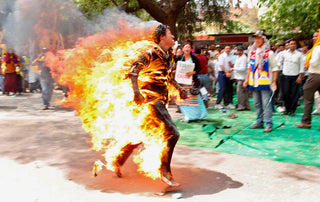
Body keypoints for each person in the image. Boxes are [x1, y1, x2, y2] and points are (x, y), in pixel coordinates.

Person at [114, 24, 188, 186]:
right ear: (162, 37)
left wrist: (180, 88)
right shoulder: (151, 53)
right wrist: (136, 92)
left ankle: (117, 160)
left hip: (161, 100)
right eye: (170, 34)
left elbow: (168, 78)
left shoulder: (169, 56)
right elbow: (134, 71)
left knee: (142, 134)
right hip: (150, 101)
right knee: (172, 133)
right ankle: (165, 172)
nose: (173, 37)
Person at [243, 30, 280, 133]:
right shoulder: (252, 53)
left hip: (265, 82)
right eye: (256, 38)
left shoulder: (269, 53)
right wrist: (246, 80)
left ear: (264, 39)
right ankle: (259, 121)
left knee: (266, 103)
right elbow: (249, 68)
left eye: (259, 38)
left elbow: (275, 68)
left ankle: (268, 123)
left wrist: (274, 82)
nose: (257, 40)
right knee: (257, 103)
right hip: (254, 82)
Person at [175, 42, 207, 122]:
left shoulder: (194, 58)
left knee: (194, 100)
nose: (187, 48)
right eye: (185, 47)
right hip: (182, 84)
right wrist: (175, 49)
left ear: (191, 49)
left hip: (192, 83)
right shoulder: (179, 58)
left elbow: (198, 68)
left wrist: (192, 73)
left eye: (189, 47)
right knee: (184, 101)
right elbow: (172, 62)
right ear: (182, 49)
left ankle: (198, 116)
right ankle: (187, 117)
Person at [296, 30, 320, 129]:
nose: (314, 38)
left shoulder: (317, 48)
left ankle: (306, 121)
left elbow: (314, 62)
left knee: (307, 97)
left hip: (315, 75)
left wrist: (307, 59)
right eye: (313, 36)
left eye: (316, 36)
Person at [278, 39, 304, 116]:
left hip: (295, 76)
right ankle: (287, 108)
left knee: (294, 94)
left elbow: (301, 66)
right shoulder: (284, 54)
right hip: (285, 76)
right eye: (291, 44)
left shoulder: (299, 54)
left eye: (294, 44)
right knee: (285, 93)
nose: (292, 45)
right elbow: (279, 63)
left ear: (296, 45)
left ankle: (292, 110)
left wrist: (300, 76)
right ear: (288, 45)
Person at [215, 45, 235, 109]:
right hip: (222, 73)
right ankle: (218, 103)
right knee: (222, 88)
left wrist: (231, 66)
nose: (228, 50)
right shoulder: (222, 56)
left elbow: (231, 65)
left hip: (229, 73)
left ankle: (227, 103)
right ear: (224, 49)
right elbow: (221, 65)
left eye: (229, 48)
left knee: (228, 89)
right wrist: (226, 72)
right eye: (226, 48)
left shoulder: (230, 56)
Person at [233, 45, 250, 111]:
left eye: (240, 51)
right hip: (239, 77)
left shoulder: (243, 58)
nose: (239, 52)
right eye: (238, 50)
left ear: (243, 51)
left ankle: (241, 106)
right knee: (244, 93)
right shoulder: (238, 57)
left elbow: (242, 69)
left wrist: (233, 68)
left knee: (240, 93)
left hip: (242, 78)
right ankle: (246, 105)